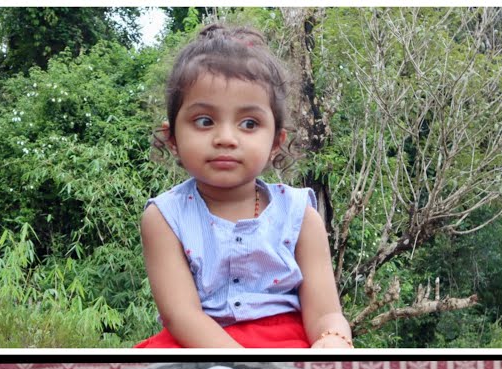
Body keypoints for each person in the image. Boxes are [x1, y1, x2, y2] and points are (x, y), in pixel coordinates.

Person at [136, 24, 353, 349]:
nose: (226, 137)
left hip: (285, 345)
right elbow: (182, 315)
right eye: (204, 121)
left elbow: (325, 314)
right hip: (197, 346)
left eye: (249, 123)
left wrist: (333, 339)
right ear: (173, 139)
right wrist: (243, 366)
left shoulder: (300, 216)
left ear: (276, 142)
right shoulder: (165, 218)